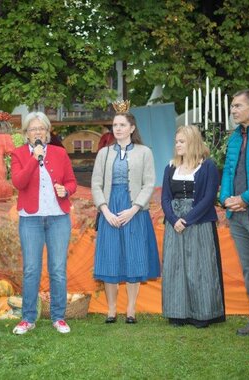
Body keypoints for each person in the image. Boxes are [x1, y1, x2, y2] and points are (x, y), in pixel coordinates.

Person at [91, 101, 160, 324]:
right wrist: (105, 211)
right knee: (110, 257)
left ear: (132, 128)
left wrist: (134, 209)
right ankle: (111, 310)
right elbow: (96, 184)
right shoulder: (104, 153)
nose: (117, 128)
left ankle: (131, 309)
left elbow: (149, 183)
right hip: (110, 208)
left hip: (135, 210)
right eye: (115, 125)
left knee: (134, 257)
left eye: (122, 125)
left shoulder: (145, 152)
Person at [10, 112, 77, 335]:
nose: (37, 132)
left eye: (41, 129)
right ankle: (28, 318)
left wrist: (65, 190)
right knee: (31, 269)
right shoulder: (19, 154)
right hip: (31, 219)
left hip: (58, 217)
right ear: (26, 133)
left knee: (57, 269)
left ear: (47, 132)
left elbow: (72, 182)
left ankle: (58, 317)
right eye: (33, 129)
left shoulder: (60, 153)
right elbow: (19, 182)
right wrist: (33, 158)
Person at [161, 125, 225, 328]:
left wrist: (187, 220)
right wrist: (173, 219)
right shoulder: (171, 167)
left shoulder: (207, 166)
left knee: (200, 267)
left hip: (198, 222)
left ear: (193, 142)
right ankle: (178, 313)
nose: (177, 145)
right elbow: (165, 198)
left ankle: (202, 313)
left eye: (182, 141)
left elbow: (208, 198)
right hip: (175, 223)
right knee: (175, 267)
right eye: (176, 142)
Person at [220, 89, 249, 336]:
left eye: (237, 106)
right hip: (236, 216)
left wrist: (245, 199)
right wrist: (226, 199)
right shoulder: (236, 137)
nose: (233, 110)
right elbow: (228, 169)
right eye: (232, 107)